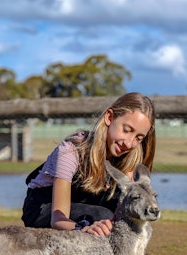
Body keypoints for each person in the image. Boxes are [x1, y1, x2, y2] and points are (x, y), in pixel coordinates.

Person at [22, 92, 156, 236]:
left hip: (87, 205)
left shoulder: (130, 158)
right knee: (102, 216)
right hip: (46, 209)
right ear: (109, 117)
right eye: (126, 130)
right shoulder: (70, 151)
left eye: (138, 138)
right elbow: (57, 219)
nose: (129, 143)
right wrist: (84, 228)